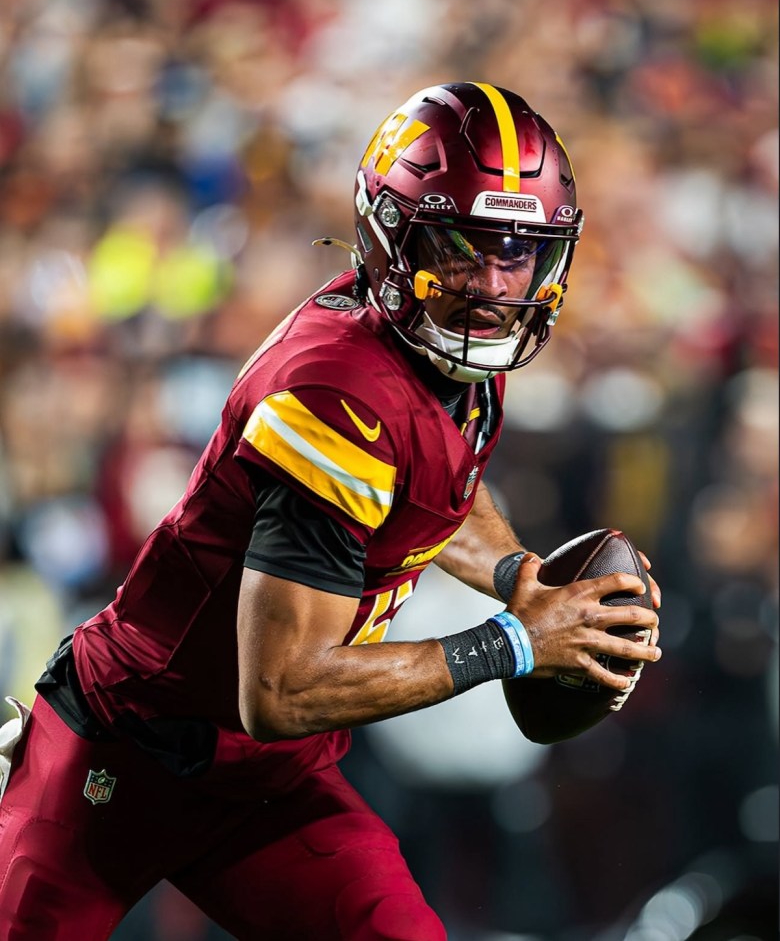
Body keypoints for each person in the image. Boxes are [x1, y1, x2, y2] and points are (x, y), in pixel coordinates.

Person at [0, 82, 661, 940]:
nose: (496, 286)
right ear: (394, 238)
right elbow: (278, 685)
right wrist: (517, 642)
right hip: (126, 750)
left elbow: (433, 489)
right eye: (464, 248)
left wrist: (517, 576)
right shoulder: (338, 392)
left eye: (520, 252)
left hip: (268, 777)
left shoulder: (444, 341)